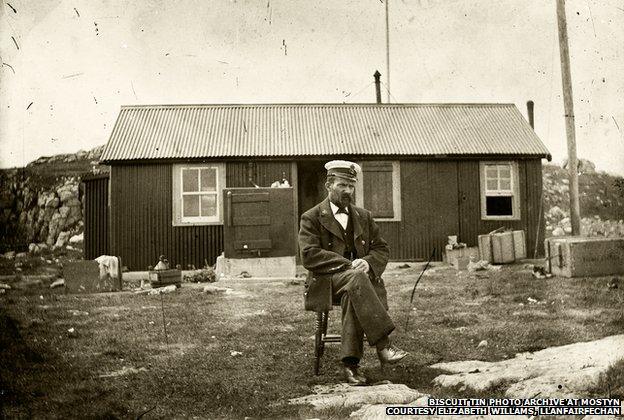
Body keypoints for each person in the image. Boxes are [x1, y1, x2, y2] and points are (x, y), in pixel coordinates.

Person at [298, 160, 408, 385]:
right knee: (356, 279)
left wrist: (368, 263)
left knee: (354, 289)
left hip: (356, 285)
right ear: (329, 185)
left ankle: (350, 366)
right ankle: (383, 346)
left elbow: (381, 248)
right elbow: (309, 255)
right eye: (342, 185)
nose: (348, 191)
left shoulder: (363, 216)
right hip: (327, 282)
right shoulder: (311, 217)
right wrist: (348, 265)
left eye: (351, 186)